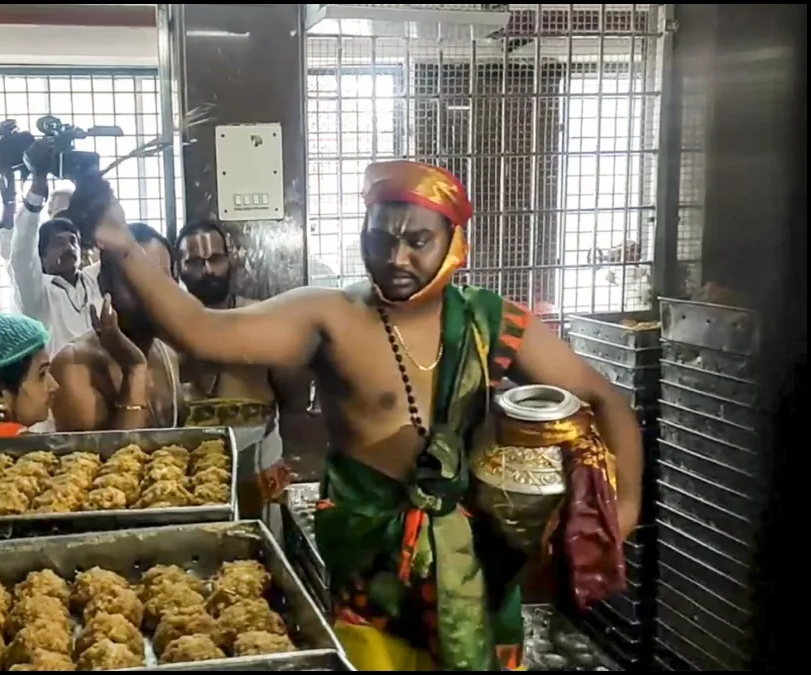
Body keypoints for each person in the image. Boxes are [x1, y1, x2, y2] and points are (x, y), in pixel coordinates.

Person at [80, 160, 643, 671]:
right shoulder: (332, 316)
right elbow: (202, 330)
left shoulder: (490, 322)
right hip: (372, 568)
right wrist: (124, 246)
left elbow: (602, 398)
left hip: (477, 563)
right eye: (381, 239)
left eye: (418, 241)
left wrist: (622, 508)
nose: (397, 259)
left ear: (453, 240)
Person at [175, 218, 292, 513]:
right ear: (178, 269)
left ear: (231, 261)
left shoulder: (261, 318)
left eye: (215, 259)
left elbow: (291, 394)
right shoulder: (168, 327)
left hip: (259, 448)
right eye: (195, 262)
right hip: (190, 458)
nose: (207, 271)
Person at [50, 222, 181, 432]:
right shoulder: (74, 364)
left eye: (163, 280)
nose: (154, 294)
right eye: (137, 282)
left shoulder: (167, 353)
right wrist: (133, 370)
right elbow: (103, 463)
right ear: (103, 284)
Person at [0, 138, 98, 355]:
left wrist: (88, 181)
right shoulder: (36, 291)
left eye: (73, 241)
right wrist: (38, 185)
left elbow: (118, 245)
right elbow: (22, 252)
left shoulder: (93, 280)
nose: (69, 247)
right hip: (55, 384)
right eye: (58, 243)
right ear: (41, 257)